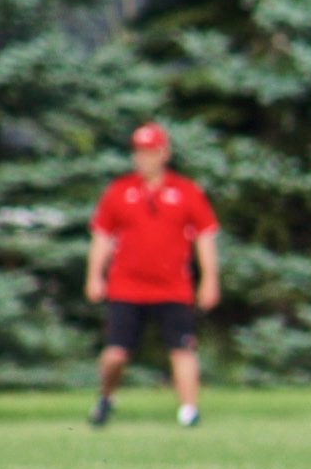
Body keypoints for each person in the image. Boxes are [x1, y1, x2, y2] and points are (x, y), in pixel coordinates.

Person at [86, 123, 220, 428]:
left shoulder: (185, 191)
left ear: (164, 153)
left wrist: (209, 278)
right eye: (139, 152)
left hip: (173, 286)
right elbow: (102, 236)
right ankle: (106, 398)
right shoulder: (119, 191)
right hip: (127, 286)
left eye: (151, 152)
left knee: (182, 349)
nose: (144, 158)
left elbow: (205, 235)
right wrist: (95, 275)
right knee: (116, 354)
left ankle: (189, 411)